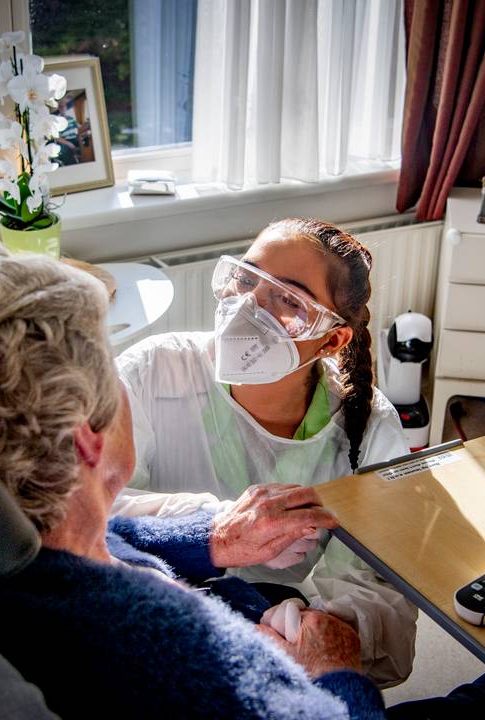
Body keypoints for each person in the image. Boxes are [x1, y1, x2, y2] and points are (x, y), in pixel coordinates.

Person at [0, 242, 485, 719]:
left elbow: (113, 535)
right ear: (86, 438)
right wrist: (337, 668)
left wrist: (208, 539)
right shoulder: (162, 646)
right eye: (107, 366)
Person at [113, 218, 418, 684]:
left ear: (332, 339)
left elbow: (382, 584)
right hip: (158, 603)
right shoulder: (153, 373)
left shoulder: (368, 426)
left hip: (278, 628)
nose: (248, 306)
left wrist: (311, 628)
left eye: (289, 300)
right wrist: (213, 528)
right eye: (246, 278)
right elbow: (82, 512)